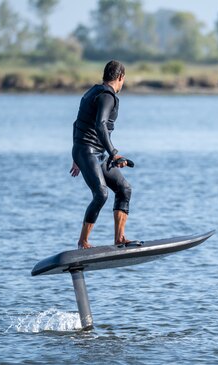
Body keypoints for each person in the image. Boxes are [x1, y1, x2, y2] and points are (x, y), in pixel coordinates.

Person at [70, 60, 133, 249]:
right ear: (120, 77)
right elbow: (100, 125)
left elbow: (76, 123)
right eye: (124, 80)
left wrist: (75, 155)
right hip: (88, 151)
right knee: (101, 194)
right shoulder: (107, 96)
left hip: (92, 152)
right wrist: (114, 154)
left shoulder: (92, 91)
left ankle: (120, 238)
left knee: (124, 189)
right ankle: (83, 242)